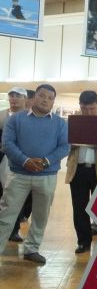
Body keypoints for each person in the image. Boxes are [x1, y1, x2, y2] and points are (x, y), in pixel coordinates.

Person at [0, 84, 69, 265]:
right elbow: (7, 143)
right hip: (18, 175)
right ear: (33, 98)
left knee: (41, 215)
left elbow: (64, 146)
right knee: (7, 213)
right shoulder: (16, 119)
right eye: (42, 96)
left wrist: (46, 161)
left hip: (47, 176)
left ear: (53, 102)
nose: (45, 100)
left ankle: (32, 249)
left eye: (50, 98)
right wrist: (25, 161)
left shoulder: (60, 123)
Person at [65, 91, 97, 254]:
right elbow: (64, 143)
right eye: (84, 109)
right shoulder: (73, 121)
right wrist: (73, 141)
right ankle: (83, 242)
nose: (88, 112)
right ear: (80, 106)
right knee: (79, 208)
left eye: (92, 108)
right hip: (78, 170)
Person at [0, 87, 28, 242]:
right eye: (11, 96)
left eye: (18, 96)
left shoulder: (29, 117)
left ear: (25, 99)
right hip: (1, 158)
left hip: (20, 161)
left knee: (17, 195)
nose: (14, 99)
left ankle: (14, 229)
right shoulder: (1, 116)